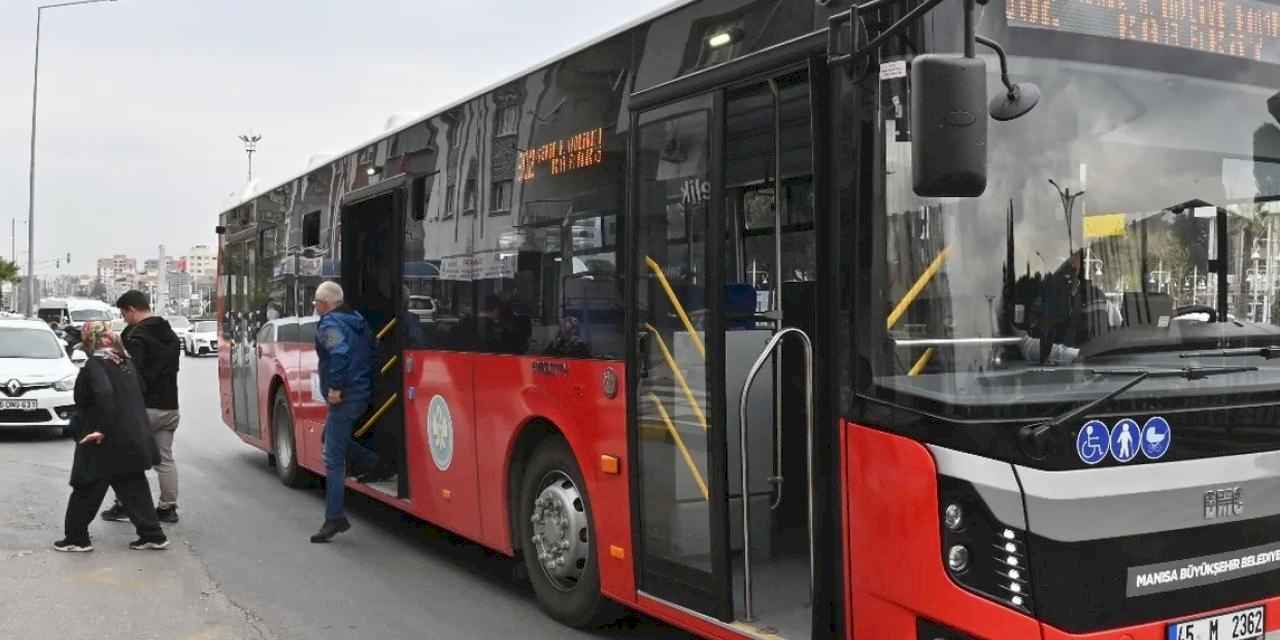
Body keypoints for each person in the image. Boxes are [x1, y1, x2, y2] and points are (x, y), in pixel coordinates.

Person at [55, 322, 168, 552]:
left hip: (103, 440)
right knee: (132, 484)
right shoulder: (124, 362)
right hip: (130, 438)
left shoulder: (95, 365)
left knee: (86, 485)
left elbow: (104, 395)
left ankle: (76, 539)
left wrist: (100, 429)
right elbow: (141, 389)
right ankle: (152, 535)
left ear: (89, 343)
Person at [100, 290, 182, 524]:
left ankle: (125, 505)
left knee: (126, 457)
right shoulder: (170, 334)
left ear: (132, 310)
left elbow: (132, 373)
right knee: (164, 459)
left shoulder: (136, 336)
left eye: (124, 314)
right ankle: (168, 508)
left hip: (143, 408)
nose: (124, 318)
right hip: (169, 407)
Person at [311, 281, 382, 543]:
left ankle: (334, 518)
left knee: (333, 458)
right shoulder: (357, 319)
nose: (315, 308)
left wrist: (336, 388)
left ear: (326, 304)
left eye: (316, 303)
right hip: (361, 393)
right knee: (328, 438)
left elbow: (339, 353)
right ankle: (373, 463)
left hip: (345, 397)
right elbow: (375, 349)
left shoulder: (329, 324)